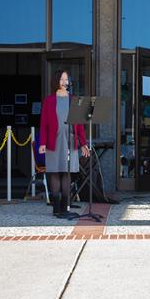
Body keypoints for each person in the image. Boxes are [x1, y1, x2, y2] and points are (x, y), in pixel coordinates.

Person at [39, 70, 90, 218]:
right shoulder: (49, 100)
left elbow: (79, 125)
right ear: (56, 81)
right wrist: (42, 143)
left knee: (67, 173)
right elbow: (43, 124)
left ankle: (65, 206)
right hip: (53, 140)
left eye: (66, 79)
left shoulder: (74, 99)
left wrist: (83, 143)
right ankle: (56, 207)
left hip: (70, 140)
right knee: (55, 171)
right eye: (61, 79)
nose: (64, 82)